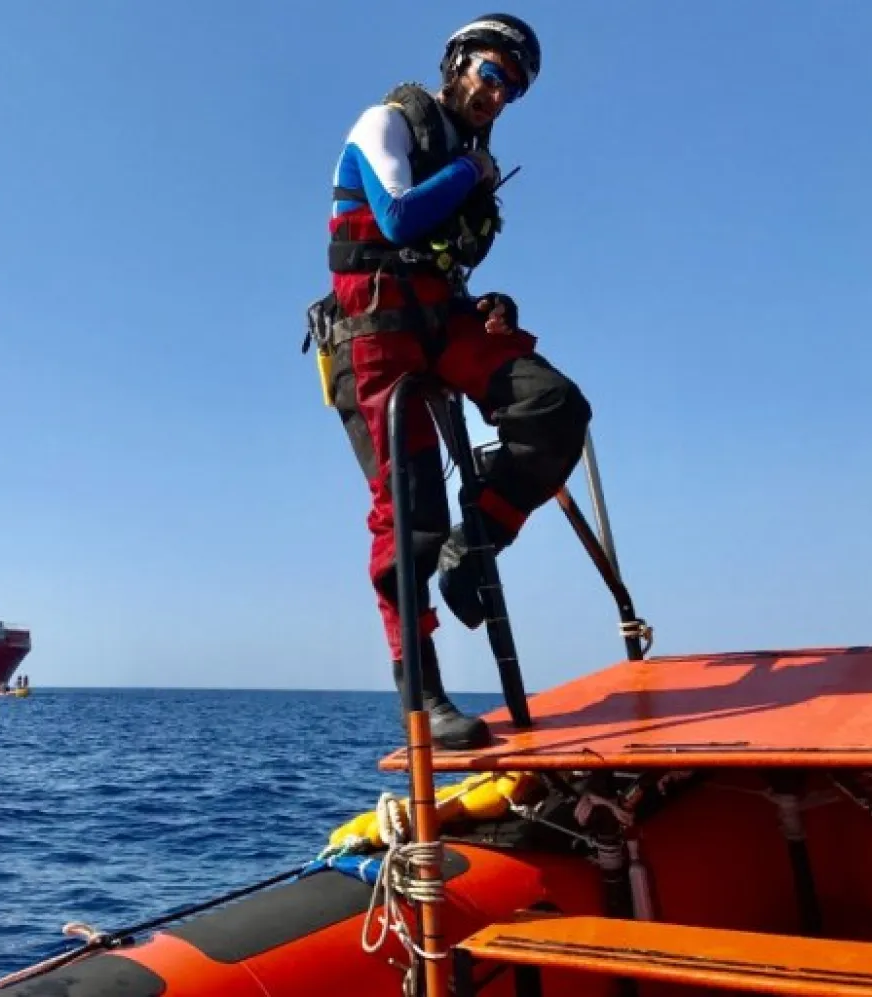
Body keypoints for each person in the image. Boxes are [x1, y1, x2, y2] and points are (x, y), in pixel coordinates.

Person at [313, 13, 591, 749]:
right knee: (408, 520)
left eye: (514, 90)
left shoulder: (467, 159)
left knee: (555, 407)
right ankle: (426, 694)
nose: (499, 97)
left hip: (445, 325)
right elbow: (400, 218)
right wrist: (472, 172)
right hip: (375, 337)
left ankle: (474, 551)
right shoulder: (387, 122)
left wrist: (483, 300)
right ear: (459, 64)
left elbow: (441, 258)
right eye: (494, 75)